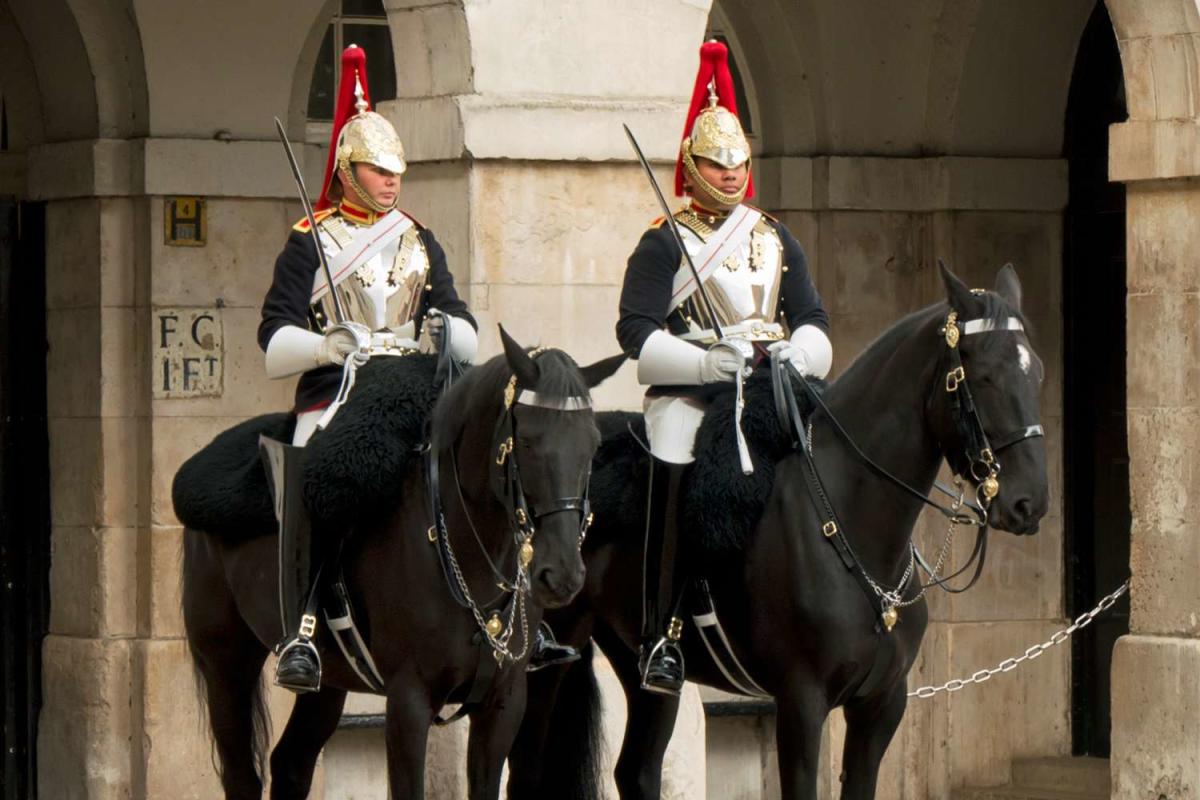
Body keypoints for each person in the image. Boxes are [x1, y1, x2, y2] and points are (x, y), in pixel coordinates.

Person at [257, 44, 479, 693]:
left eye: (396, 172)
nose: (391, 182)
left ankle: (504, 610)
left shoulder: (418, 238)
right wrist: (324, 347)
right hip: (339, 390)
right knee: (310, 462)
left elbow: (459, 314)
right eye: (378, 171)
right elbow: (274, 337)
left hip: (414, 385)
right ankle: (300, 630)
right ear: (349, 170)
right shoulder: (311, 239)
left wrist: (447, 331)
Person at [615, 40, 833, 696]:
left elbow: (813, 317)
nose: (732, 173)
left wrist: (803, 352)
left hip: (772, 386)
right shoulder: (663, 241)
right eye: (718, 161)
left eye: (739, 161)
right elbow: (634, 333)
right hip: (694, 394)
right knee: (675, 466)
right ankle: (663, 630)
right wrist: (705, 362)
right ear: (693, 163)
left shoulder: (774, 237)